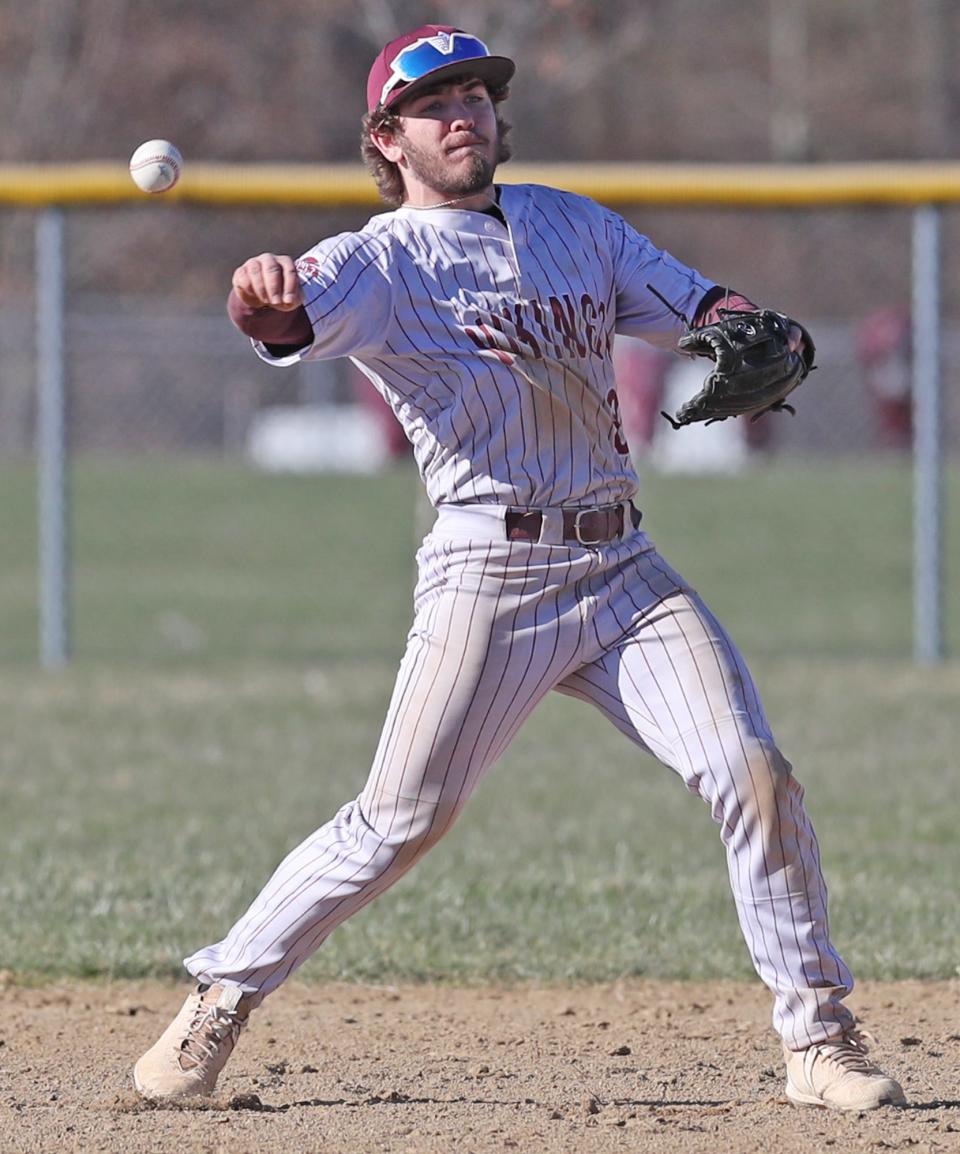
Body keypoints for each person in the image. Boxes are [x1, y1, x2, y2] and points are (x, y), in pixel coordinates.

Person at [133, 24, 905, 1112]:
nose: (465, 114)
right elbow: (286, 306)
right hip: (487, 578)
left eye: (478, 94)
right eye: (435, 100)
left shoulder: (570, 223)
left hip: (623, 566)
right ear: (386, 137)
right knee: (397, 820)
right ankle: (221, 994)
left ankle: (819, 1038)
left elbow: (696, 305)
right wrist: (260, 294)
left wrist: (742, 324)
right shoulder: (379, 259)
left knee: (752, 768)